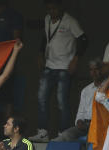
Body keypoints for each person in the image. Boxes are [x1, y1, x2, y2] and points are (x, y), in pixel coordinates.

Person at [32, 1, 86, 141]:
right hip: (49, 65)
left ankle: (63, 134)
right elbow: (45, 37)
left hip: (64, 66)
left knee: (62, 101)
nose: (51, 11)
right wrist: (39, 53)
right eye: (49, 8)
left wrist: (76, 59)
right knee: (41, 98)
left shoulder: (70, 21)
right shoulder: (47, 18)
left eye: (54, 8)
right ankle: (43, 132)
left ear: (61, 7)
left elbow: (83, 39)